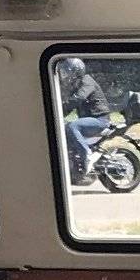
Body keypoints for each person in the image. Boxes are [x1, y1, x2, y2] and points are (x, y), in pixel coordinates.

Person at [56, 56, 112, 185]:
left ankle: (86, 153)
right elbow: (70, 106)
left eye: (67, 71)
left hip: (100, 120)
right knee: (63, 130)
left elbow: (78, 99)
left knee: (71, 126)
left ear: (76, 71)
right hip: (90, 120)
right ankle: (76, 170)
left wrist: (61, 108)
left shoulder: (87, 81)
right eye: (63, 71)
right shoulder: (75, 86)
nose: (64, 75)